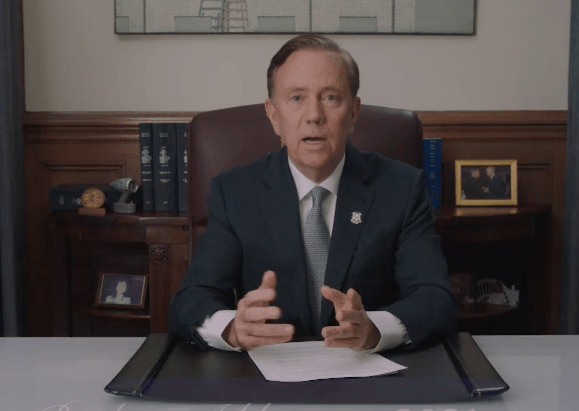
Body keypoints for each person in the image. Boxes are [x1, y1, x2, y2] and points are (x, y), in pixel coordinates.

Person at [168, 33, 455, 352]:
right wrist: (232, 329)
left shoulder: (401, 188)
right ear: (273, 115)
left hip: (367, 370)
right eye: (296, 98)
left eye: (330, 97)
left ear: (354, 112)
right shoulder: (235, 193)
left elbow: (435, 298)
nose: (314, 115)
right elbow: (190, 300)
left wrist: (376, 329)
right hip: (268, 370)